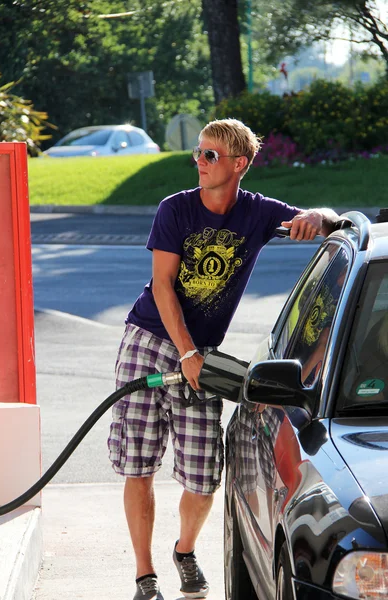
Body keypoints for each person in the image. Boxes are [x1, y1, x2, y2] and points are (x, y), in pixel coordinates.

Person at [107, 118, 340, 600]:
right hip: (150, 340)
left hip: (203, 356)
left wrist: (318, 214)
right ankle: (144, 576)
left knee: (203, 474)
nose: (199, 161)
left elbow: (328, 220)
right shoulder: (176, 209)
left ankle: (185, 551)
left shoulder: (257, 214)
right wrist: (186, 351)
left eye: (210, 155)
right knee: (140, 465)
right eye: (198, 153)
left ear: (239, 164)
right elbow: (163, 285)